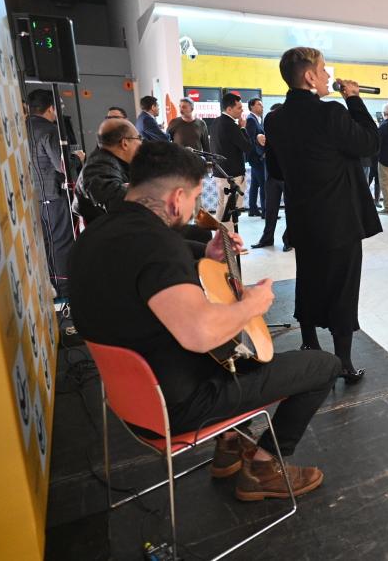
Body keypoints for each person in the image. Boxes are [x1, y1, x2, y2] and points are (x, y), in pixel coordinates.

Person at [68, 140, 340, 501]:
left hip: (130, 398)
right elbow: (200, 333)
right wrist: (253, 304)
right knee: (323, 365)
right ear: (176, 198)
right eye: (195, 198)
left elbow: (148, 266)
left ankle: (229, 445)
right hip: (179, 405)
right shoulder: (157, 246)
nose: (195, 207)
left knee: (239, 358)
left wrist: (204, 252)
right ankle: (262, 468)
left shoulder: (97, 235)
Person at [264, 47, 381, 383]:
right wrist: (355, 100)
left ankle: (309, 343)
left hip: (303, 218)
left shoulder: (274, 120)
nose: (329, 76)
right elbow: (370, 144)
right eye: (324, 69)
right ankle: (342, 361)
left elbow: (276, 170)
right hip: (339, 219)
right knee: (343, 288)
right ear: (309, 76)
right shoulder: (332, 113)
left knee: (309, 280)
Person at [27, 89, 73, 297]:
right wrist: (78, 158)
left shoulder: (21, 128)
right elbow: (61, 165)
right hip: (52, 196)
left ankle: (52, 288)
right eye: (59, 107)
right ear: (51, 108)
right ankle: (64, 291)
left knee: (45, 243)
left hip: (32, 196)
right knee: (60, 242)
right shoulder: (49, 130)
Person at [73, 118, 141, 223]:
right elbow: (116, 200)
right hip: (106, 235)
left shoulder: (111, 161)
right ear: (125, 143)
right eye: (139, 138)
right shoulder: (98, 167)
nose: (141, 143)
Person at [252, 103, 291, 252]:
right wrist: (257, 138)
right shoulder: (269, 133)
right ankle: (267, 238)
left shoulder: (291, 134)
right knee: (270, 209)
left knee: (290, 211)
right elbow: (261, 146)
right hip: (272, 176)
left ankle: (289, 239)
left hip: (287, 177)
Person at [212, 93, 250, 230]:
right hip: (232, 176)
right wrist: (243, 128)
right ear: (229, 109)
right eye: (239, 108)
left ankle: (220, 240)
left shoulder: (216, 122)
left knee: (222, 208)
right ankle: (229, 245)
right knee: (230, 211)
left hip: (219, 172)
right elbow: (247, 147)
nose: (242, 111)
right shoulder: (231, 125)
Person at [245, 98, 266, 217]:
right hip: (257, 158)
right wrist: (260, 154)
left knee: (255, 184)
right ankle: (265, 211)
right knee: (263, 184)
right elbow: (250, 140)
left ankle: (252, 209)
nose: (262, 107)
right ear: (252, 106)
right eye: (259, 105)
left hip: (256, 158)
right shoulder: (251, 120)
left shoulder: (257, 119)